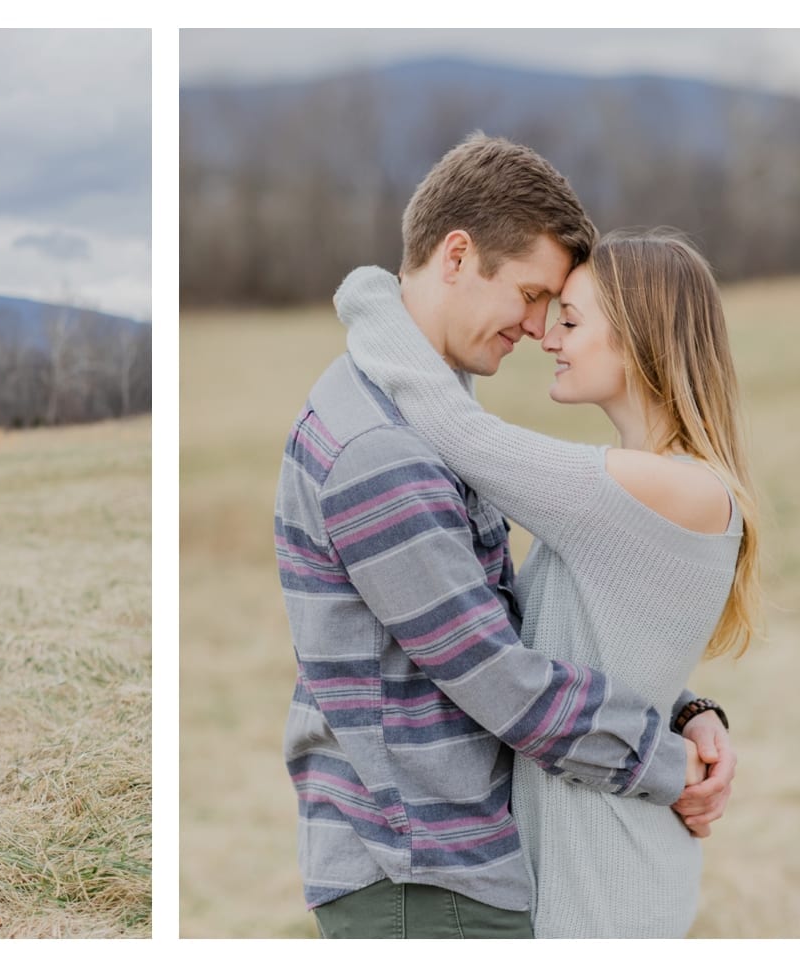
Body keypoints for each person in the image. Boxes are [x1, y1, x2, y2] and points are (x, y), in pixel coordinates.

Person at [274, 133, 738, 939]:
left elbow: (553, 619)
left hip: (530, 863)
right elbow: (502, 677)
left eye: (562, 312)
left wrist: (689, 709)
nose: (538, 330)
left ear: (639, 334)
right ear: (457, 255)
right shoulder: (382, 446)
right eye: (533, 297)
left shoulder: (633, 480)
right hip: (422, 866)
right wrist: (673, 758)